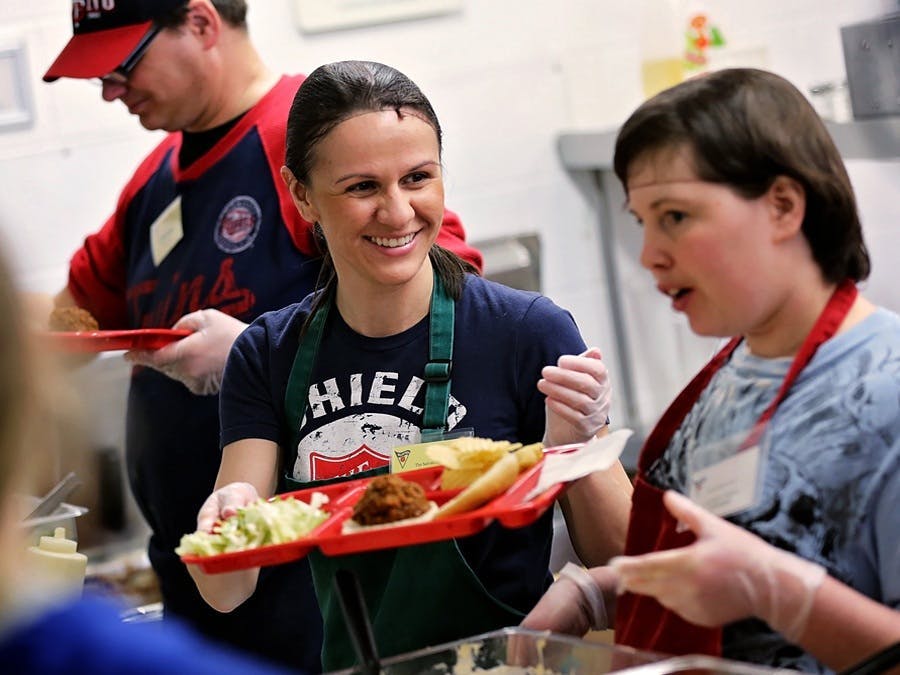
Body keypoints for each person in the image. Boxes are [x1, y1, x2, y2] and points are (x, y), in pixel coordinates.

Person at [41, 1, 482, 671]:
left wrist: (253, 348)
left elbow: (450, 291)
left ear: (201, 23)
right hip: (201, 572)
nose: (108, 91)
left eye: (122, 66)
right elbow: (68, 316)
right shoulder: (154, 180)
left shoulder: (307, 138)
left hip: (311, 580)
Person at [186, 59, 632, 672]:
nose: (398, 213)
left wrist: (577, 452)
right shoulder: (268, 354)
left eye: (417, 178)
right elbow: (227, 592)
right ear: (301, 195)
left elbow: (626, 569)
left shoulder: (527, 333)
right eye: (362, 187)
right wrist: (230, 514)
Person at [522, 68, 900, 673]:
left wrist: (784, 596)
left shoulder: (887, 391)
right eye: (641, 220)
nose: (649, 254)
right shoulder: (732, 370)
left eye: (674, 216)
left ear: (783, 206)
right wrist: (603, 590)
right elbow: (713, 575)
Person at [0, 236, 297, 674]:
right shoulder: (146, 190)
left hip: (280, 611)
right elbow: (66, 316)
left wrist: (249, 351)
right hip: (196, 592)